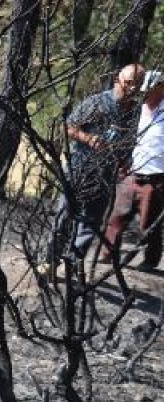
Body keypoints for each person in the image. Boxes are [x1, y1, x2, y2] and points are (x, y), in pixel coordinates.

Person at [52, 64, 144, 263]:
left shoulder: (137, 112)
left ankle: (74, 265)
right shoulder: (97, 102)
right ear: (117, 80)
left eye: (138, 84)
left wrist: (126, 161)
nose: (132, 88)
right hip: (80, 167)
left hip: (106, 175)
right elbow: (67, 127)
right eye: (129, 83)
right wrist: (88, 138)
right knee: (65, 214)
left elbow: (131, 141)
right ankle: (49, 259)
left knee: (90, 222)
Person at [101, 69, 164, 271]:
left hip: (156, 177)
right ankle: (107, 253)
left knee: (148, 223)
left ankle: (150, 260)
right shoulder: (138, 110)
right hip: (131, 171)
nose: (145, 94)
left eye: (150, 90)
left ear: (161, 88)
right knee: (116, 217)